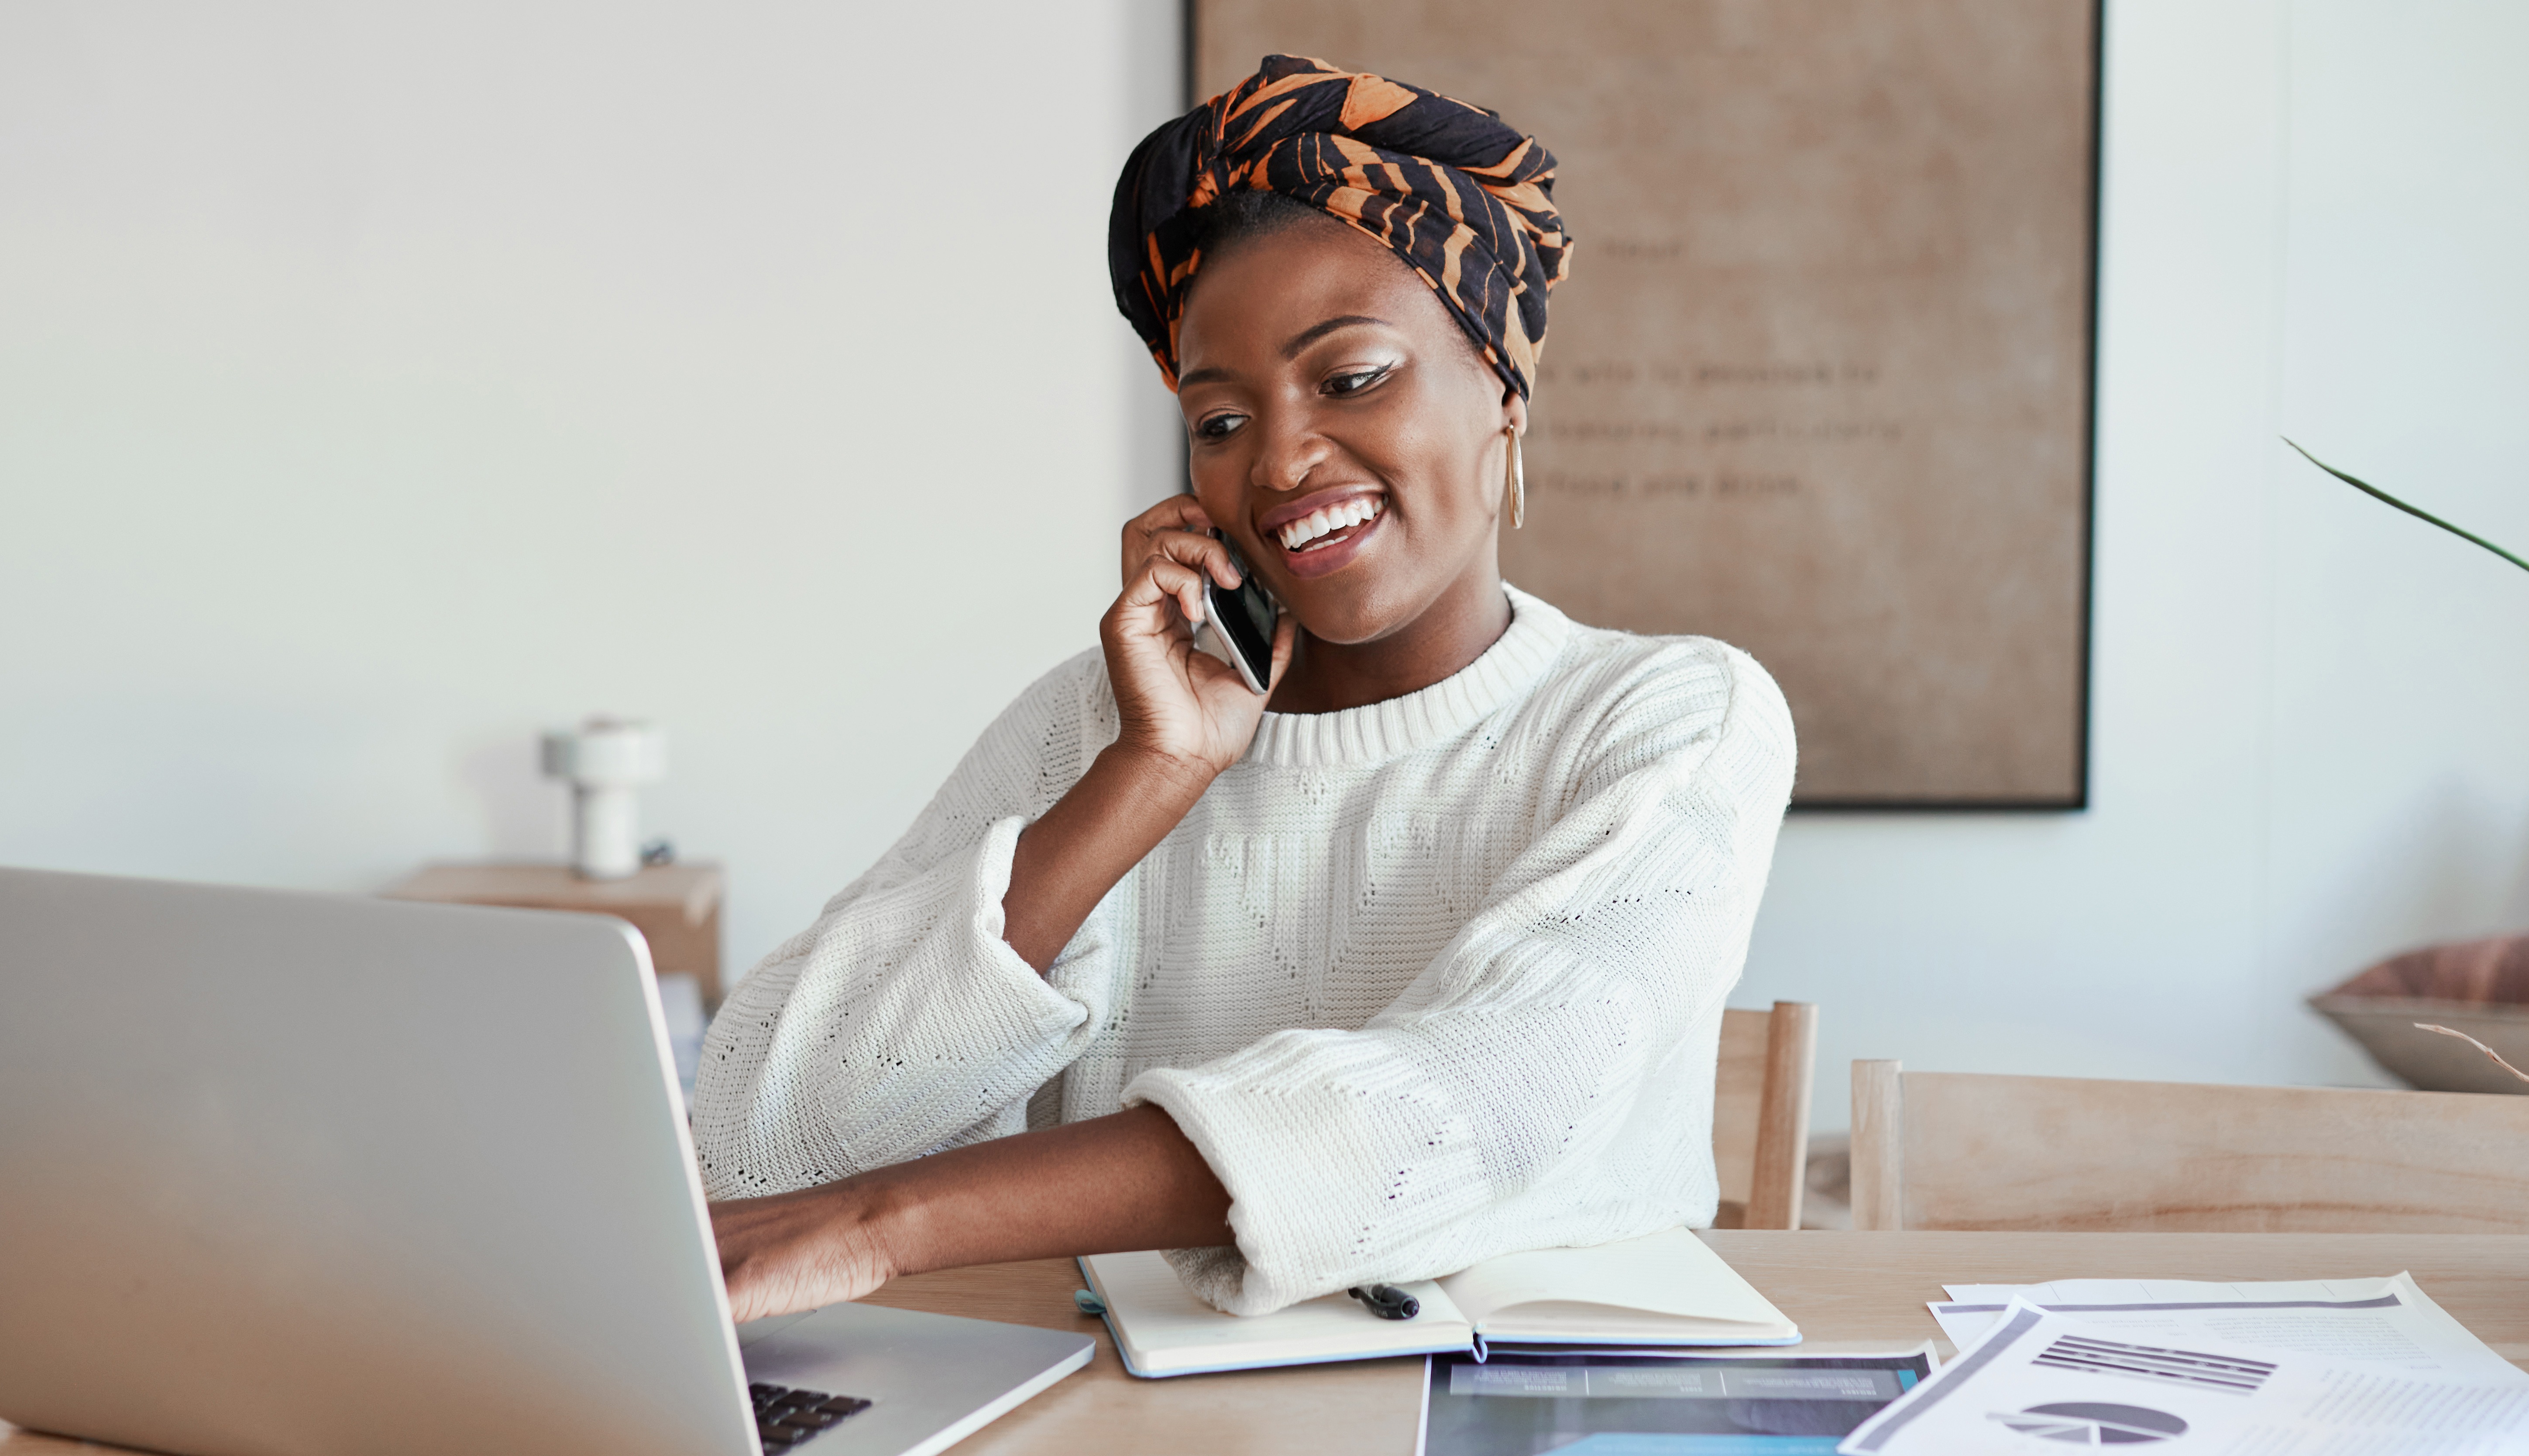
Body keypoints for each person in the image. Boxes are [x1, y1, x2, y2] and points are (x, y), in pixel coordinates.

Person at [697, 55, 1794, 1322]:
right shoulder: (1102, 722)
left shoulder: (1668, 718)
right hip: (1127, 1413)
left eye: (1352, 379)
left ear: (1502, 384)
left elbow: (1467, 1103)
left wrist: (896, 1224)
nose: (1279, 459)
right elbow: (761, 1149)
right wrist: (1148, 777)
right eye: (1219, 421)